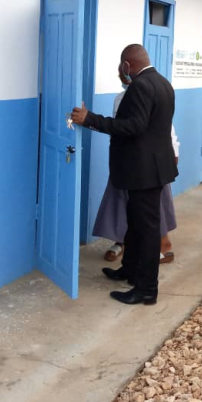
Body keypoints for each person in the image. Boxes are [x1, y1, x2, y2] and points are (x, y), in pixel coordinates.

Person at [71, 44, 177, 306]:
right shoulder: (162, 82)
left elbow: (133, 126)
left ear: (127, 65)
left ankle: (146, 290)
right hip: (146, 169)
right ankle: (129, 270)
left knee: (147, 231)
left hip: (144, 171)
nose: (121, 71)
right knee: (135, 225)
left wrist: (91, 119)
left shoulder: (140, 86)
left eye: (121, 66)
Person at [95, 74, 180, 264]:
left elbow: (166, 127)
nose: (121, 77)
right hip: (126, 159)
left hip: (149, 162)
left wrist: (174, 149)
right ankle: (122, 241)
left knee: (153, 204)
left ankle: (163, 245)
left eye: (123, 72)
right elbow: (119, 126)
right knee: (122, 201)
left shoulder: (149, 92)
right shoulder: (119, 98)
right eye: (118, 73)